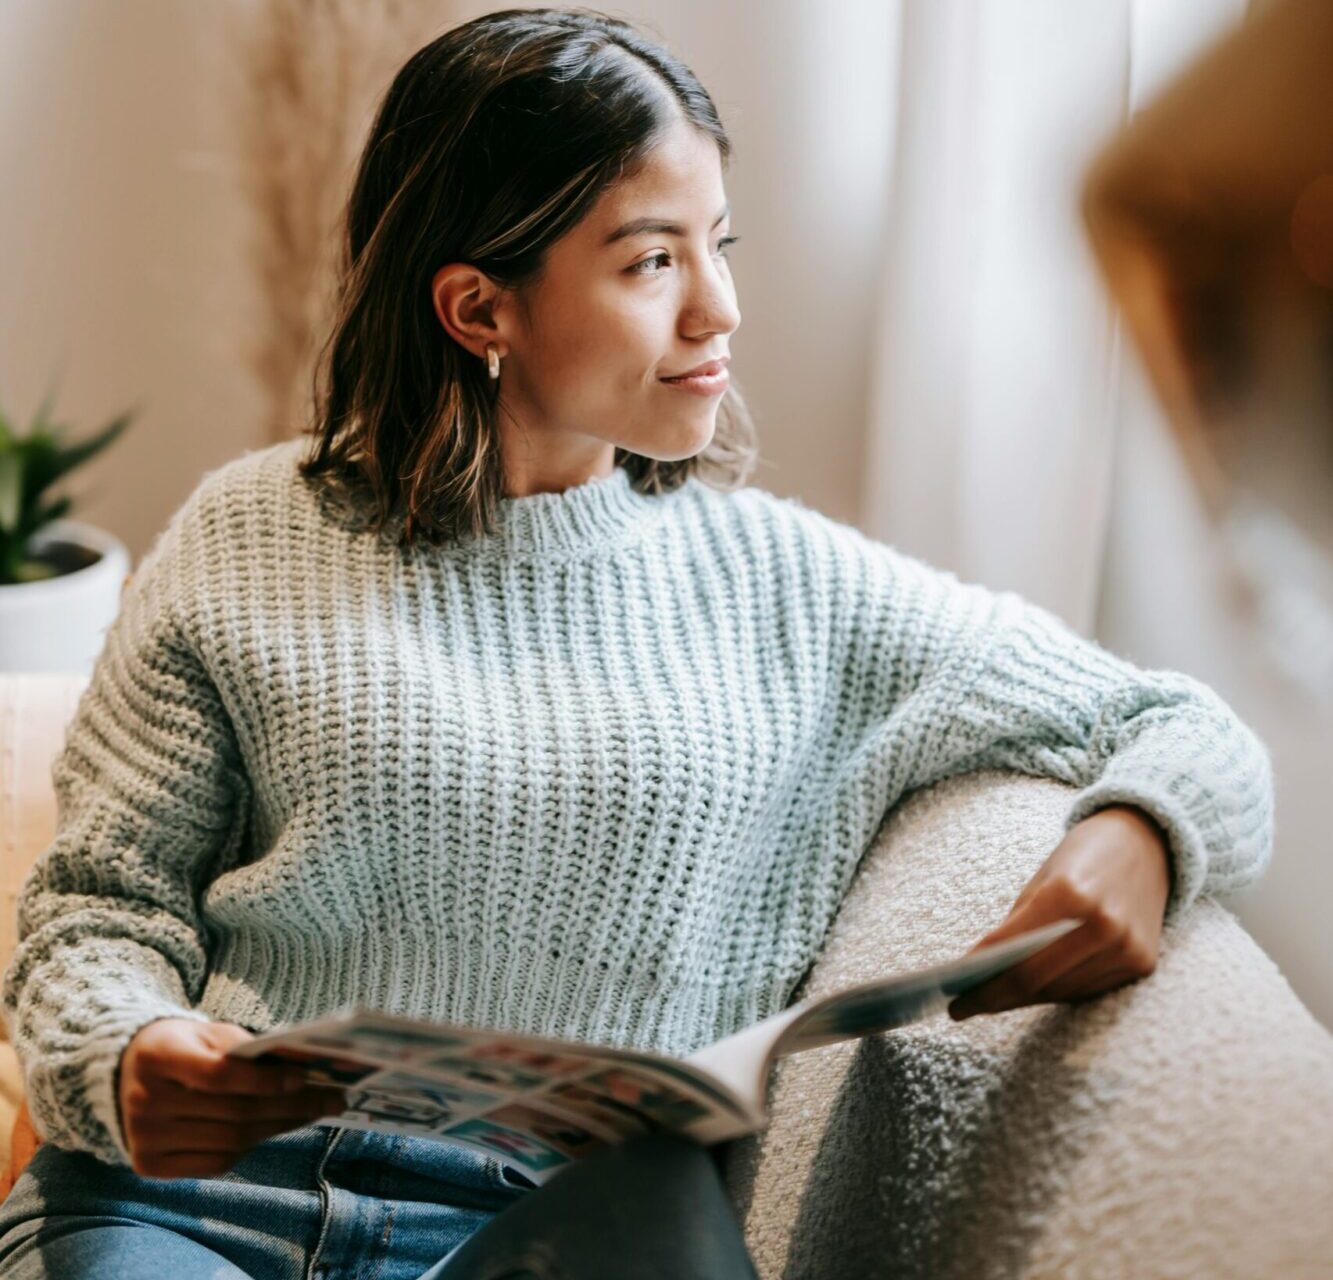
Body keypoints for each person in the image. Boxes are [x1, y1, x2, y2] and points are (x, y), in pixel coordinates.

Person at [0, 7, 1274, 1278]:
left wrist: (1145, 827)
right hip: (188, 1209)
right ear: (475, 305)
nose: (718, 308)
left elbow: (1180, 721)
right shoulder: (247, 531)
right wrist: (120, 1056)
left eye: (717, 243)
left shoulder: (793, 586)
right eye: (650, 261)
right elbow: (101, 905)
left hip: (553, 1232)